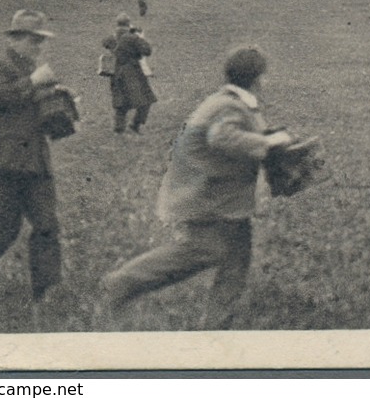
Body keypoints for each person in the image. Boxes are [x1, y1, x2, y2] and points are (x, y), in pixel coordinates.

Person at [100, 47, 294, 327]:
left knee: (237, 259)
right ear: (257, 78)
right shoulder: (230, 106)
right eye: (264, 77)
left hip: (223, 198)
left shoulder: (228, 101)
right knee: (204, 250)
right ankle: (121, 283)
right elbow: (222, 137)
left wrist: (270, 136)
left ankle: (217, 325)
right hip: (205, 198)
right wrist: (267, 144)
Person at [0, 10, 66, 311]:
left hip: (35, 162)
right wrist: (34, 80)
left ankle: (45, 295)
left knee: (47, 226)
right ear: (15, 39)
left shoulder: (33, 68)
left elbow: (40, 111)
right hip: (4, 163)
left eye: (41, 41)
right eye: (34, 40)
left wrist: (63, 106)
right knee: (4, 230)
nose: (38, 46)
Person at [104, 14, 156, 134]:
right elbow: (147, 51)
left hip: (116, 72)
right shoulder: (132, 37)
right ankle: (135, 125)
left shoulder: (112, 37)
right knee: (146, 100)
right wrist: (140, 37)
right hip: (132, 72)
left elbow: (105, 42)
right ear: (129, 23)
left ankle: (119, 130)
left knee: (121, 102)